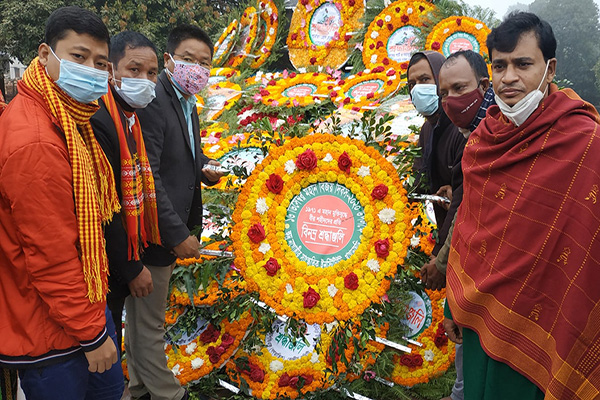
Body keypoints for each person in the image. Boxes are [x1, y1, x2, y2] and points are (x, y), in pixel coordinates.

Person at [446, 12, 600, 399]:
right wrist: (453, 305)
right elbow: (468, 226)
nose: (508, 77)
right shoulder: (483, 141)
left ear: (550, 70)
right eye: (500, 65)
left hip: (546, 317)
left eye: (523, 64)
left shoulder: (584, 142)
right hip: (480, 314)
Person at [0, 6, 123, 399]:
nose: (91, 69)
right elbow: (50, 254)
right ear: (44, 55)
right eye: (78, 56)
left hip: (76, 308)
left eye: (100, 62)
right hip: (53, 331)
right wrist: (92, 335)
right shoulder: (36, 140)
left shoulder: (67, 117)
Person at [129, 24, 224, 400]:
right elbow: (148, 173)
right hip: (154, 232)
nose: (196, 68)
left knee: (142, 324)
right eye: (188, 59)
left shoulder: (185, 101)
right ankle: (170, 395)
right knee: (149, 326)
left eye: (204, 62)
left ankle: (137, 391)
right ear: (169, 59)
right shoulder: (155, 99)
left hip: (166, 230)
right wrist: (176, 234)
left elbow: (181, 154)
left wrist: (206, 167)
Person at [427, 49, 496, 400]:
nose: (449, 100)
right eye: (443, 93)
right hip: (475, 272)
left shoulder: (501, 132)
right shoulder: (473, 134)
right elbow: (470, 205)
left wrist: (442, 262)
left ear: (485, 84)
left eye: (459, 89)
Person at [90, 31, 161, 355]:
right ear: (111, 71)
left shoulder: (130, 116)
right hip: (104, 263)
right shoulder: (100, 120)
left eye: (151, 73)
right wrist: (131, 268)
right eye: (134, 70)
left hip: (119, 260)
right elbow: (107, 207)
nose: (144, 80)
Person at [407, 51, 467, 291]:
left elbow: (462, 198)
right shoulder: (427, 129)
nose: (417, 89)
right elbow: (418, 182)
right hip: (444, 232)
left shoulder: (460, 127)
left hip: (459, 240)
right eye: (411, 84)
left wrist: (442, 258)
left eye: (424, 80)